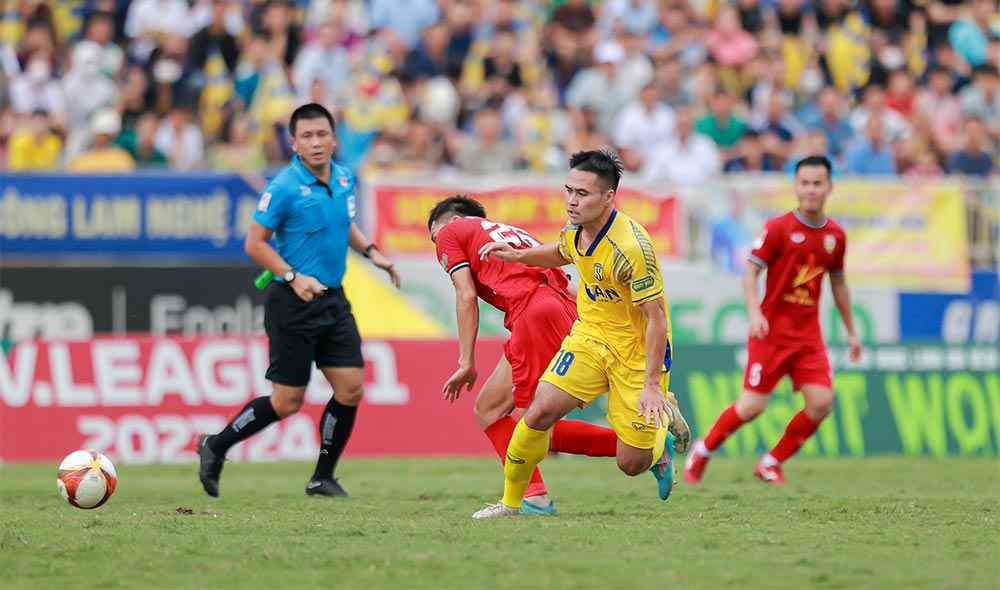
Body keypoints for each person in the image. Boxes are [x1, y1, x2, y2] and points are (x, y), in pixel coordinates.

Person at [427, 195, 690, 515]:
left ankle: (537, 498)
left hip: (534, 314)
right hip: (558, 307)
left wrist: (466, 362)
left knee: (533, 426)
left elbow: (466, 295)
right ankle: (537, 494)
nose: (437, 247)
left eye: (434, 235)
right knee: (489, 409)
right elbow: (560, 278)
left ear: (453, 222)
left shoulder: (452, 233)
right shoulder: (509, 233)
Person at [197, 103, 400, 498]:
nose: (316, 142)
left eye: (322, 134)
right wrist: (292, 276)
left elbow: (345, 225)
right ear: (294, 143)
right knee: (287, 402)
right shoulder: (283, 187)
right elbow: (254, 244)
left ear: (334, 138)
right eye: (306, 136)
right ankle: (216, 445)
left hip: (333, 298)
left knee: (351, 387)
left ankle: (322, 477)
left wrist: (372, 251)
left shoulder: (343, 178)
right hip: (291, 301)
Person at [684, 155, 863, 485]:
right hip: (771, 334)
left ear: (829, 187)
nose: (811, 190)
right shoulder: (778, 228)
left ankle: (770, 461)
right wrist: (755, 313)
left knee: (821, 403)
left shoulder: (835, 236)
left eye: (817, 183)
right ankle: (704, 449)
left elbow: (838, 283)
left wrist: (852, 332)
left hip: (808, 337)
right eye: (805, 183)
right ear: (795, 186)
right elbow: (751, 272)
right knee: (752, 407)